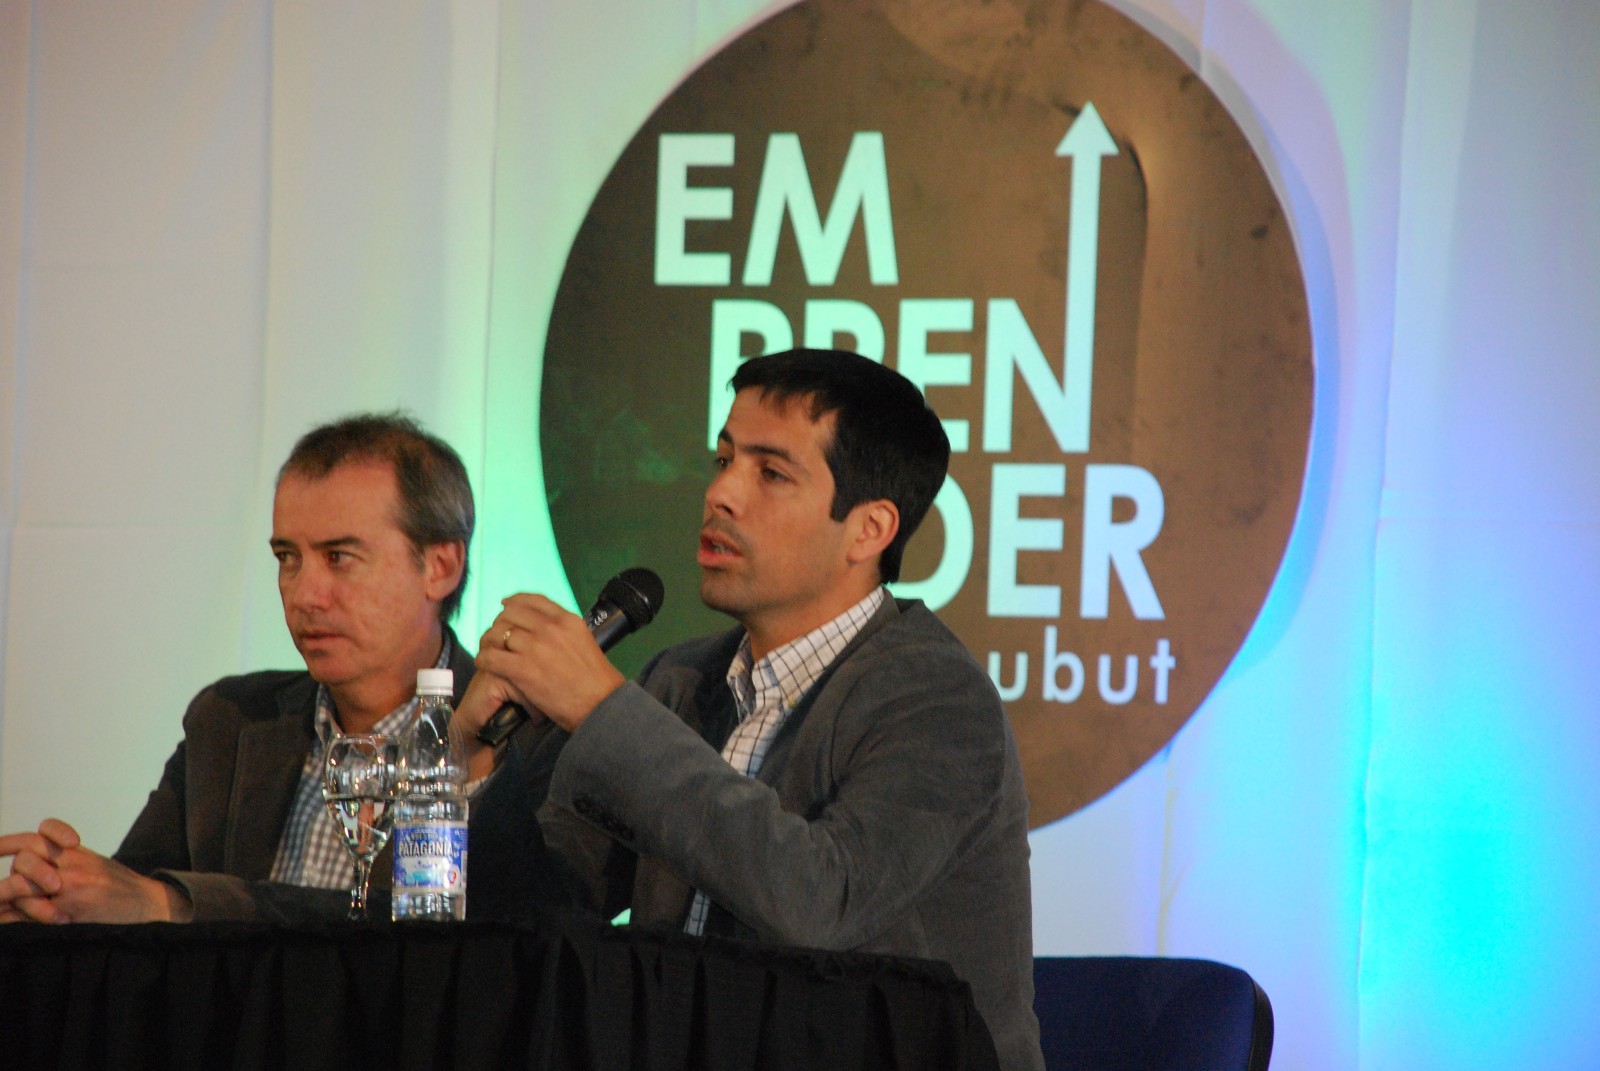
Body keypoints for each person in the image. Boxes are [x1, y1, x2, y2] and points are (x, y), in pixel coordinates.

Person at [460, 350, 1044, 1071]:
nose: (721, 494)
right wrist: (472, 763)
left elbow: (820, 904)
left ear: (869, 529)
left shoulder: (939, 700)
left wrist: (602, 706)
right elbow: (537, 910)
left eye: (771, 473)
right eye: (723, 460)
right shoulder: (680, 681)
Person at [0, 413, 499, 923]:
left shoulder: (510, 742)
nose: (304, 595)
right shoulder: (231, 719)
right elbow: (131, 899)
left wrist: (177, 905)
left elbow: (440, 933)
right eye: (288, 558)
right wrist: (57, 898)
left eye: (339, 557)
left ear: (440, 567)